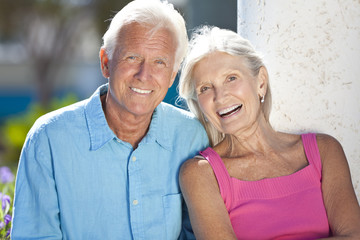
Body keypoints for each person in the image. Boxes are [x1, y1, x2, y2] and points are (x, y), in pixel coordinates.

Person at [11, 1, 209, 239]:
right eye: (132, 57)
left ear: (172, 76)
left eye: (160, 62)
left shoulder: (191, 137)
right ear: (106, 62)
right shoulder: (48, 140)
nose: (144, 75)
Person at [178, 25, 360, 239]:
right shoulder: (200, 173)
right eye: (205, 88)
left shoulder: (324, 150)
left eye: (231, 78)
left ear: (260, 82)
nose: (220, 97)